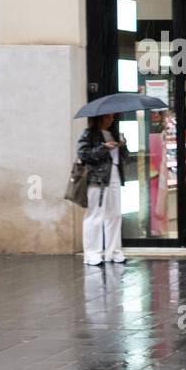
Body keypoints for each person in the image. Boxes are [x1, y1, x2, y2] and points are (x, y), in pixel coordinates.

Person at [77, 114, 126, 266]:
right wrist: (103, 147)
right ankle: (92, 253)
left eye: (112, 118)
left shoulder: (115, 134)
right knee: (95, 215)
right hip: (97, 178)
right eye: (106, 118)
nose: (110, 120)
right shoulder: (89, 134)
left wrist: (123, 146)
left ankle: (114, 251)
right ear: (98, 118)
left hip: (115, 175)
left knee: (115, 214)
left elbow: (123, 157)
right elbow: (83, 154)